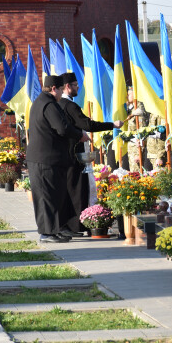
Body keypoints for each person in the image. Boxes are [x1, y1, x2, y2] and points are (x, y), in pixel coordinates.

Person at [59, 72, 123, 235]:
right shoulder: (70, 106)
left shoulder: (58, 104)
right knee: (77, 189)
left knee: (67, 189)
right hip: (75, 155)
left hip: (63, 153)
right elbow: (87, 124)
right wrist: (112, 124)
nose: (78, 87)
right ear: (67, 86)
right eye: (75, 85)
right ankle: (77, 225)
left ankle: (67, 224)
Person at [26, 75, 87, 243]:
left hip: (49, 158)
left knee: (54, 195)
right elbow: (61, 127)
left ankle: (54, 229)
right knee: (46, 196)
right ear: (54, 89)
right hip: (43, 158)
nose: (61, 93)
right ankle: (46, 233)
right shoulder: (48, 104)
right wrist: (79, 135)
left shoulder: (42, 101)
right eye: (60, 90)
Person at [125, 87, 149, 172]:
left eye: (129, 94)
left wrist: (139, 153)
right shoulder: (132, 110)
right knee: (133, 174)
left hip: (136, 149)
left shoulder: (139, 111)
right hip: (132, 148)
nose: (127, 96)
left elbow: (142, 132)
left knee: (137, 174)